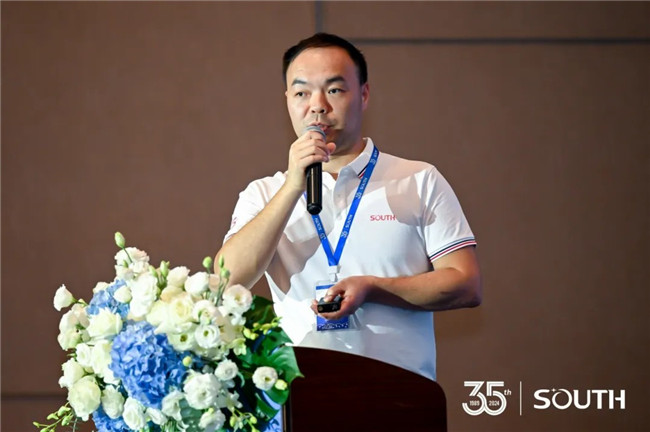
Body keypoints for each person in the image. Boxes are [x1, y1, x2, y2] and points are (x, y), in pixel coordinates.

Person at [216, 33, 481, 381]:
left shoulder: (418, 179)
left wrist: (374, 288)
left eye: (335, 90)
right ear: (287, 100)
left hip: (401, 393)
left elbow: (465, 283)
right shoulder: (263, 193)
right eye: (301, 93)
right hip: (301, 394)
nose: (317, 106)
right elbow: (227, 279)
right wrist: (293, 186)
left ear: (364, 94)